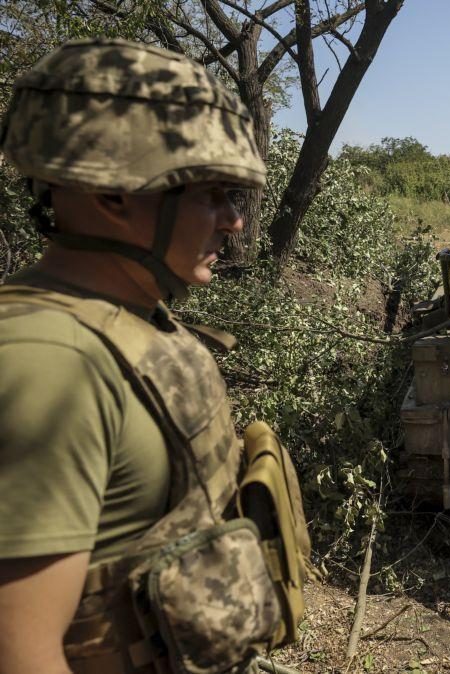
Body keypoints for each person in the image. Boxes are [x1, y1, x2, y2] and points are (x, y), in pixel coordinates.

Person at [0, 39, 305, 673]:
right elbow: (21, 651)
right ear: (113, 193)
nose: (234, 222)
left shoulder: (132, 316)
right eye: (210, 195)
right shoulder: (49, 364)